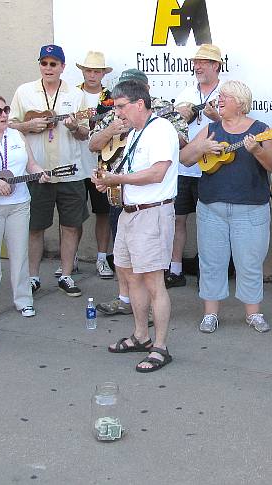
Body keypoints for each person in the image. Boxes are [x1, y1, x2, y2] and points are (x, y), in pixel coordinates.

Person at [179, 80, 272, 333]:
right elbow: (185, 158)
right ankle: (210, 314)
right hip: (211, 208)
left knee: (249, 262)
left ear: (240, 102)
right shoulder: (211, 128)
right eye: (219, 97)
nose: (219, 101)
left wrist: (256, 150)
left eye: (225, 97)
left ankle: (253, 314)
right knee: (211, 262)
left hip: (250, 209)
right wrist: (201, 146)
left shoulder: (261, 129)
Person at [91, 80, 179, 372]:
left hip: (152, 214)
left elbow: (157, 173)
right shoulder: (135, 134)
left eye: (121, 107)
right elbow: (130, 173)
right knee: (130, 277)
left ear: (139, 104)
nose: (118, 114)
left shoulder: (161, 130)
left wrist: (118, 180)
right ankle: (141, 336)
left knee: (154, 282)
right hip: (130, 213)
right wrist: (109, 184)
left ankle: (161, 346)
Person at [8, 44, 89, 297]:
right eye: (44, 63)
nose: (48, 68)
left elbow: (86, 132)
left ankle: (66, 274)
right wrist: (28, 125)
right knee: (35, 226)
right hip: (37, 172)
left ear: (62, 67)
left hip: (70, 171)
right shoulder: (24, 91)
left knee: (71, 225)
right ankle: (33, 277)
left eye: (54, 64)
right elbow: (9, 124)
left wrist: (75, 126)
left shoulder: (76, 96)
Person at [0, 95, 49, 320]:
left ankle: (24, 300)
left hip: (19, 203)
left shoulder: (17, 135)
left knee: (20, 254)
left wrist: (40, 172)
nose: (4, 114)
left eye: (5, 110)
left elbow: (30, 164)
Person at [169, 44, 224, 288]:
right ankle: (175, 270)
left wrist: (218, 119)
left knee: (209, 223)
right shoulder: (185, 93)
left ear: (216, 66)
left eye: (203, 62)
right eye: (196, 62)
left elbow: (238, 126)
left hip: (211, 167)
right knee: (177, 219)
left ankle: (207, 270)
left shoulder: (227, 93)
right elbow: (172, 126)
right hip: (183, 168)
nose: (198, 66)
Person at [76, 51, 115, 279]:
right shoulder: (72, 95)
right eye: (89, 70)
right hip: (75, 163)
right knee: (74, 216)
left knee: (103, 213)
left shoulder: (111, 97)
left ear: (103, 73)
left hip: (103, 164)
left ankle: (102, 258)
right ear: (82, 71)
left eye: (97, 71)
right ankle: (70, 259)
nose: (92, 75)